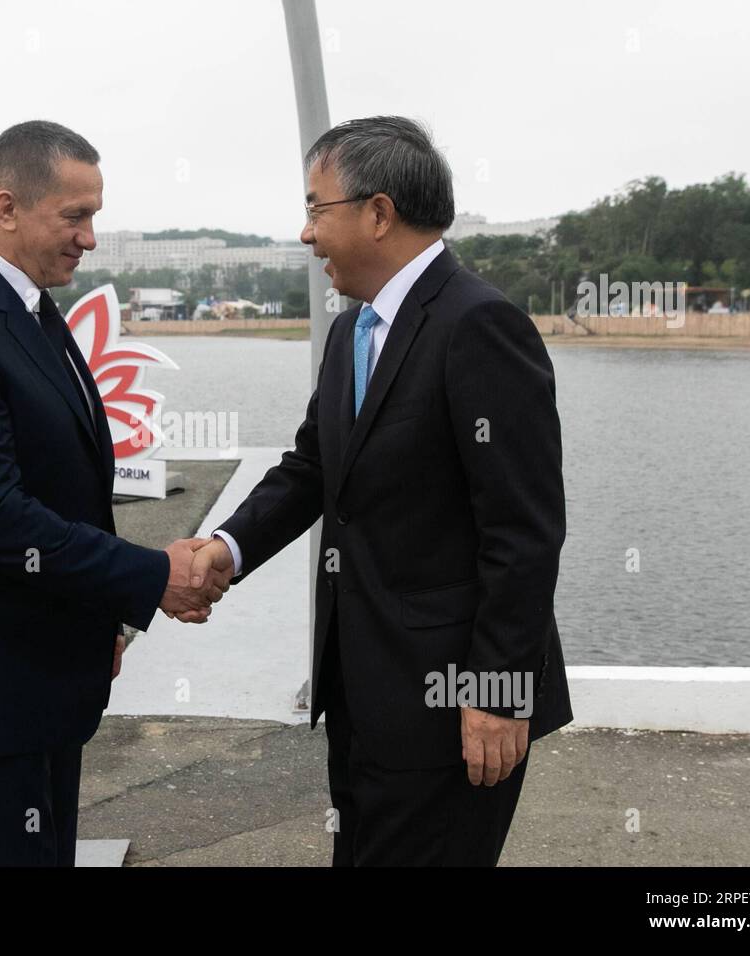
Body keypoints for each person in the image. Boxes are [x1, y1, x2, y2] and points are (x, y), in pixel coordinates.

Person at [188, 117, 573, 866]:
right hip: (364, 692)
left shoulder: (479, 326)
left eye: (314, 208)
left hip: (452, 705)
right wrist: (227, 547)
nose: (304, 233)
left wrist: (497, 693)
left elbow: (524, 532)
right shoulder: (351, 332)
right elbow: (313, 468)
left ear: (378, 212)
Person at [0, 121, 227, 866]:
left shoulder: (33, 307)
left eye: (93, 216)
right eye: (74, 216)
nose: (90, 238)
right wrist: (149, 575)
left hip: (43, 664)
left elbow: (68, 487)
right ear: (6, 208)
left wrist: (101, 616)